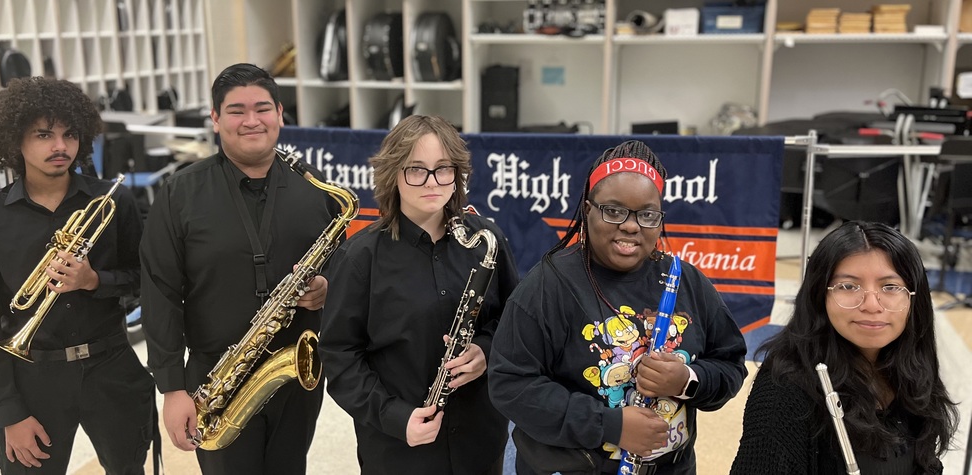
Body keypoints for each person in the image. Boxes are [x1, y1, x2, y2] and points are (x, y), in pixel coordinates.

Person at [488, 140, 748, 475]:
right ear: (587, 209)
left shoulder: (685, 280)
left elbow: (730, 365)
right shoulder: (547, 286)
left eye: (647, 214)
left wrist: (687, 379)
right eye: (613, 210)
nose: (630, 225)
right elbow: (511, 385)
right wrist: (610, 424)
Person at [139, 63, 336, 475]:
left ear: (281, 114)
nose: (251, 121)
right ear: (215, 118)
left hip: (295, 369)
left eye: (263, 108)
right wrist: (172, 388)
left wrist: (326, 285)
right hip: (215, 378)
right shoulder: (179, 194)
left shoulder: (315, 188)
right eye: (236, 110)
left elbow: (343, 265)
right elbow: (159, 293)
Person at [0, 77, 154, 474]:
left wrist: (94, 281)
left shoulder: (112, 201)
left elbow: (146, 281)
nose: (60, 146)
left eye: (69, 134)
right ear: (16, 140)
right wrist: (10, 412)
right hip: (32, 379)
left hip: (111, 366)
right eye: (43, 134)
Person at [318, 115, 520, 474]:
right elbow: (340, 357)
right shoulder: (359, 257)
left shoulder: (486, 239)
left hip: (480, 442)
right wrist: (395, 417)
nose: (432, 182)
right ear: (393, 174)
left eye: (443, 169)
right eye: (416, 169)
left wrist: (486, 352)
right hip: (399, 450)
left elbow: (515, 322)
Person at [731, 221, 959, 474]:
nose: (871, 304)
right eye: (848, 286)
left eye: (891, 287)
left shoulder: (910, 369)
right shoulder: (783, 391)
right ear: (820, 295)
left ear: (913, 298)